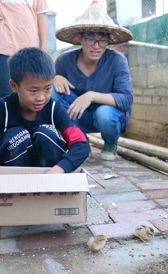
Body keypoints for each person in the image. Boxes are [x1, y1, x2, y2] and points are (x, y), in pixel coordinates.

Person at [0, 47, 90, 179]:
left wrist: (61, 168)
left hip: (50, 178)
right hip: (12, 179)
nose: (41, 97)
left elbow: (81, 144)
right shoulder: (1, 109)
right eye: (33, 91)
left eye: (47, 89)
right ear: (14, 86)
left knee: (45, 133)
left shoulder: (54, 108)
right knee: (17, 134)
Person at [53, 0, 134, 161]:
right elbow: (43, 89)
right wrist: (54, 78)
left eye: (102, 40)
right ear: (80, 38)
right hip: (78, 116)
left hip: (109, 117)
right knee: (53, 94)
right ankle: (80, 139)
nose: (96, 46)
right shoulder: (64, 60)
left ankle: (111, 143)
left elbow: (126, 99)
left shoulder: (117, 61)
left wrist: (91, 96)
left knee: (104, 114)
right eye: (91, 39)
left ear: (108, 41)